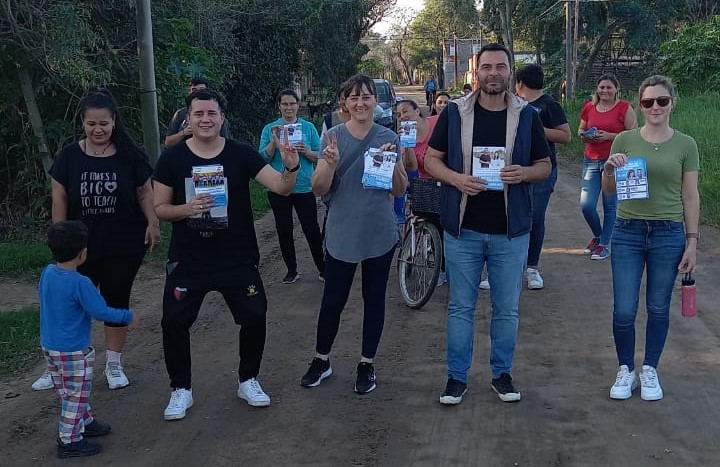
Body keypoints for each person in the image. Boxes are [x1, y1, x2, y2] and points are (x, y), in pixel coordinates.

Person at [153, 88, 300, 420]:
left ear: (222, 118)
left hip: (236, 257)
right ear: (188, 120)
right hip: (189, 258)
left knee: (254, 316)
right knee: (173, 322)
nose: (206, 119)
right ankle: (181, 389)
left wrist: (290, 169)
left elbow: (279, 186)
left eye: (212, 114)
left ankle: (248, 379)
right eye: (199, 114)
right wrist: (186, 209)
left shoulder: (240, 154)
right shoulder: (173, 159)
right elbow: (160, 208)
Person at [424, 44, 551, 405]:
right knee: (460, 307)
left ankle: (502, 374)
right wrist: (455, 179)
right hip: (463, 229)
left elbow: (545, 166)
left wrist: (524, 172)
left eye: (500, 67)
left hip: (510, 233)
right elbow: (432, 160)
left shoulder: (527, 115)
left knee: (507, 308)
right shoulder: (454, 113)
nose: (493, 73)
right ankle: (456, 377)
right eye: (487, 67)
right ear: (475, 73)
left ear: (511, 72)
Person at [33, 90, 159, 392]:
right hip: (80, 247)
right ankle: (58, 367)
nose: (98, 129)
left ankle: (113, 364)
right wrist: (59, 237)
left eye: (104, 123)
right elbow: (59, 196)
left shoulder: (131, 155)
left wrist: (153, 223)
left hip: (124, 243)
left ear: (114, 121)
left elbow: (145, 191)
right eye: (92, 124)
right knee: (70, 305)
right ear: (82, 123)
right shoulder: (68, 157)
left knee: (116, 299)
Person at [300, 74, 408, 395]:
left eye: (366, 97)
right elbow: (319, 188)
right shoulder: (332, 138)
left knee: (374, 299)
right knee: (333, 299)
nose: (360, 103)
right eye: (353, 97)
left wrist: (393, 164)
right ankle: (322, 360)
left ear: (376, 101)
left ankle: (366, 363)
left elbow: (400, 189)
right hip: (341, 232)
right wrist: (329, 165)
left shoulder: (389, 136)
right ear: (344, 103)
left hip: (378, 232)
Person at [602, 75, 699, 401]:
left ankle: (650, 369)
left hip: (668, 234)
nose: (655, 107)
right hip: (628, 231)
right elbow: (609, 191)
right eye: (648, 102)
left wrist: (692, 242)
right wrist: (609, 169)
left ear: (672, 103)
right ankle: (626, 369)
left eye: (661, 101)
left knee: (658, 307)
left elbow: (690, 196)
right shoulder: (624, 140)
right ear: (640, 105)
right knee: (624, 310)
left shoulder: (686, 144)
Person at [40, 221, 139, 459]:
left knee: (66, 391)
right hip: (74, 350)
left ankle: (84, 420)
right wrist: (126, 316)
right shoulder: (80, 283)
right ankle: (69, 440)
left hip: (50, 347)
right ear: (83, 253)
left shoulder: (47, 273)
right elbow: (100, 312)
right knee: (76, 394)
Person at [515, 64, 572, 289]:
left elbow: (565, 136)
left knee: (535, 218)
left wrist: (535, 127)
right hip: (514, 169)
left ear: (519, 83)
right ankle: (505, 269)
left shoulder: (550, 105)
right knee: (511, 217)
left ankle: (532, 268)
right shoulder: (514, 104)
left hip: (543, 170)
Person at [259, 90, 324, 284]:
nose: (288, 108)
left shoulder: (308, 127)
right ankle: (291, 269)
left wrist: (306, 151)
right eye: (284, 104)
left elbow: (319, 156)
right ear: (278, 106)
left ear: (298, 105)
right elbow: (262, 158)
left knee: (311, 229)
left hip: (304, 185)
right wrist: (274, 142)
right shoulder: (270, 129)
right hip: (278, 185)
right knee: (284, 229)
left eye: (292, 104)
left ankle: (323, 267)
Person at [578, 74, 637, 260]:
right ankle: (599, 235)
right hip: (591, 160)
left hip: (614, 161)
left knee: (610, 206)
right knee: (586, 205)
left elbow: (633, 134)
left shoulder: (624, 108)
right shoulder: (589, 107)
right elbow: (581, 128)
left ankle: (604, 245)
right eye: (601, 87)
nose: (604, 91)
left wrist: (609, 137)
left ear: (616, 89)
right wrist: (584, 135)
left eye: (608, 87)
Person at [165, 77, 231, 148]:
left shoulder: (217, 118)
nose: (205, 120)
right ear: (188, 118)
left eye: (211, 113)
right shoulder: (180, 114)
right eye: (194, 90)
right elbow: (168, 143)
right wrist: (184, 132)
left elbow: (227, 146)